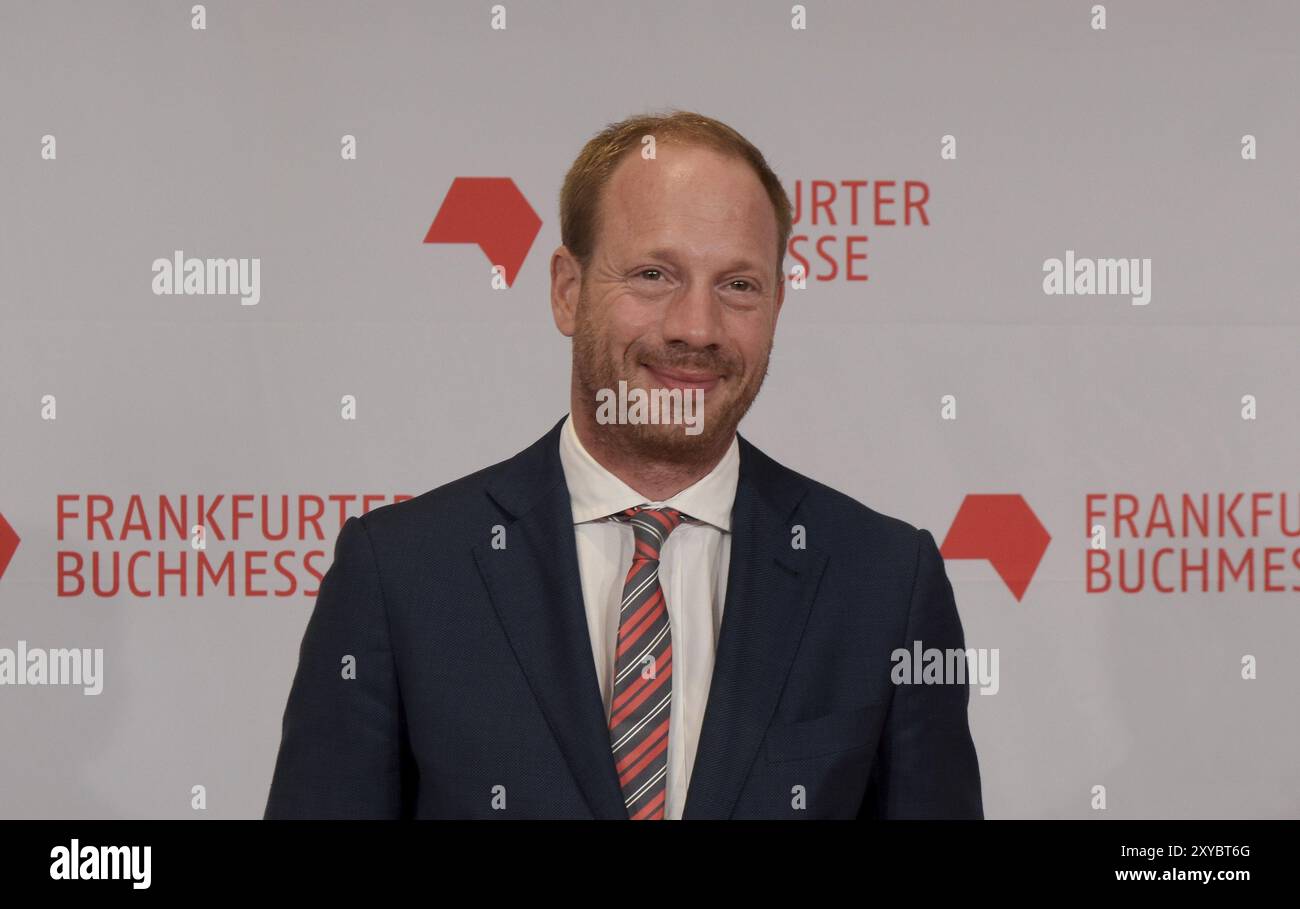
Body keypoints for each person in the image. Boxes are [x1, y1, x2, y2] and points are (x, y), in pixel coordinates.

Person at [264, 109, 983, 819]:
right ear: (566, 291)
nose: (696, 328)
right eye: (653, 273)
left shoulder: (885, 583)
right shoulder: (401, 575)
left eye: (738, 285)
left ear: (778, 304)